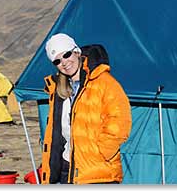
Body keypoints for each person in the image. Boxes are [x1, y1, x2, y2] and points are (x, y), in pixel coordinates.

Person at [41, 33, 132, 184]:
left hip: (96, 171)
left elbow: (120, 120)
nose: (64, 62)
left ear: (76, 52)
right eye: (57, 61)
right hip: (67, 170)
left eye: (66, 54)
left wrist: (102, 151)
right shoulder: (59, 91)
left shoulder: (104, 82)